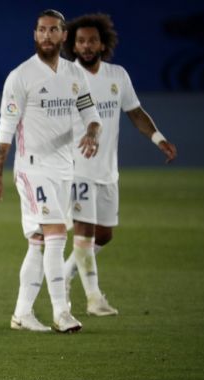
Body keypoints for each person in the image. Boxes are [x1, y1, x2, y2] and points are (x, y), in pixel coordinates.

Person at [0, 9, 102, 333]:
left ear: (64, 36)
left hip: (64, 168)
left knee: (39, 240)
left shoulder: (75, 76)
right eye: (41, 30)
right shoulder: (20, 77)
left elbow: (91, 114)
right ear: (34, 35)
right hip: (32, 169)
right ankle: (62, 312)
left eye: (53, 30)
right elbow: (5, 129)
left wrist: (92, 133)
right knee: (55, 234)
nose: (46, 36)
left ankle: (22, 313)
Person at [61, 14, 177, 316]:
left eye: (92, 40)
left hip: (108, 171)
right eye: (81, 41)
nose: (87, 46)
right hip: (78, 168)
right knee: (84, 233)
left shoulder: (117, 76)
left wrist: (158, 138)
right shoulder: (67, 77)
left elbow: (135, 112)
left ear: (103, 43)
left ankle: (62, 275)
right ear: (73, 45)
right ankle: (94, 298)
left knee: (105, 234)